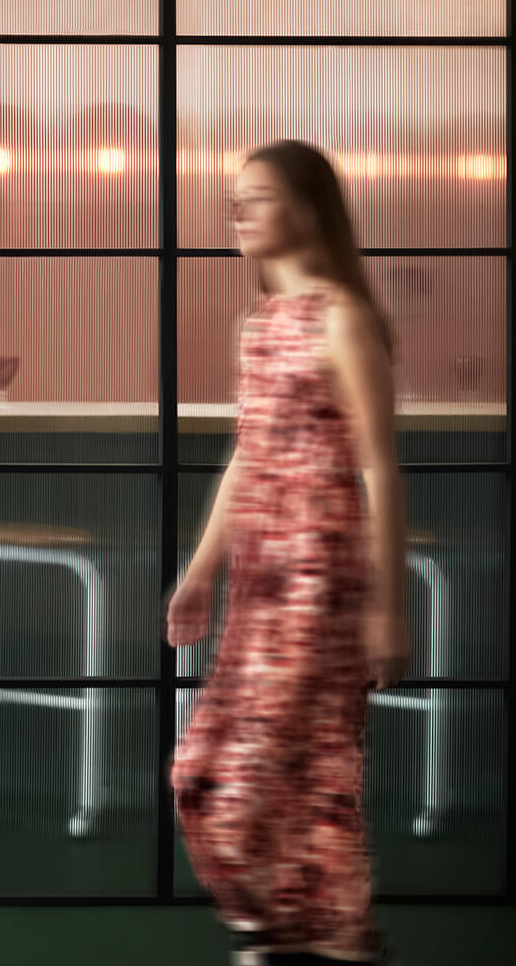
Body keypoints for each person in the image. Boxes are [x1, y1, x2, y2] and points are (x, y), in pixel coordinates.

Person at [168, 140, 410, 965]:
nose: (238, 212)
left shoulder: (342, 320)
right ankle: (311, 933)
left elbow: (378, 466)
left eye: (258, 197)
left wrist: (387, 607)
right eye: (234, 197)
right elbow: (249, 456)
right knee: (211, 772)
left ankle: (298, 934)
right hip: (259, 586)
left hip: (321, 582)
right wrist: (199, 573)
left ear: (305, 208)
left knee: (283, 770)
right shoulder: (264, 325)